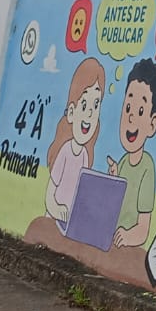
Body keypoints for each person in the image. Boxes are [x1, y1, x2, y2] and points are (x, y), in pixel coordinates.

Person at [107, 58, 156, 248]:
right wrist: (113, 179)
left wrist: (128, 237)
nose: (131, 117)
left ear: (152, 123)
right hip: (111, 240)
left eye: (140, 110)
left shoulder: (147, 167)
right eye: (128, 107)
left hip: (125, 248)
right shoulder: (123, 162)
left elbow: (143, 229)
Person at [45, 57, 105, 223]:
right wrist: (57, 210)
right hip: (53, 222)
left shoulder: (85, 155)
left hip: (70, 224)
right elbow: (50, 194)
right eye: (84, 105)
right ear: (72, 112)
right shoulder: (65, 151)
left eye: (96, 105)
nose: (90, 114)